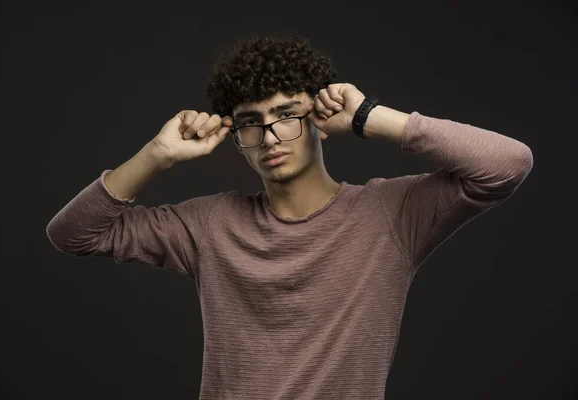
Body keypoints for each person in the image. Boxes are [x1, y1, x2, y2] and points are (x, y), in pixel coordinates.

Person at [46, 36, 533, 399]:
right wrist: (156, 154)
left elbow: (507, 165)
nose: (272, 136)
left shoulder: (392, 214)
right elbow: (73, 235)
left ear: (318, 119)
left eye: (286, 114)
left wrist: (369, 116)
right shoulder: (208, 225)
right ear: (236, 138)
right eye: (251, 123)